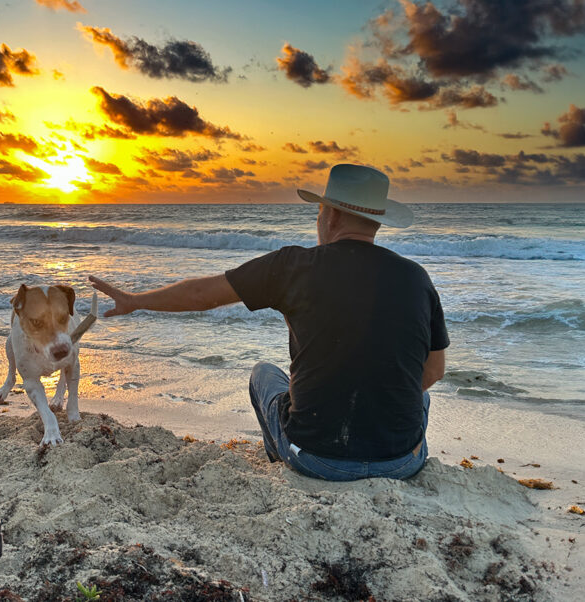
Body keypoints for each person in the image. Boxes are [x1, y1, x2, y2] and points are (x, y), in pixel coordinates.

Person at [89, 164, 448, 481]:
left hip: (316, 460)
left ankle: (281, 457)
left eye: (319, 213)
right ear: (376, 222)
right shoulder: (416, 277)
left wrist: (136, 301)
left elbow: (203, 294)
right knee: (419, 397)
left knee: (263, 372)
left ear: (331, 216)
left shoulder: (293, 267)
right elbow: (433, 372)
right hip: (401, 463)